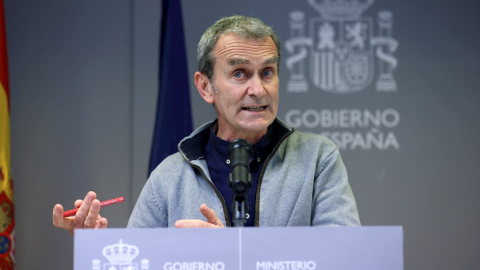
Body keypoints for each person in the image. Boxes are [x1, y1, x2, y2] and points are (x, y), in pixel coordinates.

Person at [53, 15, 360, 235]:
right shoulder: (168, 177)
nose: (258, 89)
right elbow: (138, 261)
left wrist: (229, 256)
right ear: (205, 87)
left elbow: (346, 257)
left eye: (267, 72)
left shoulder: (318, 158)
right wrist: (94, 246)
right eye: (239, 73)